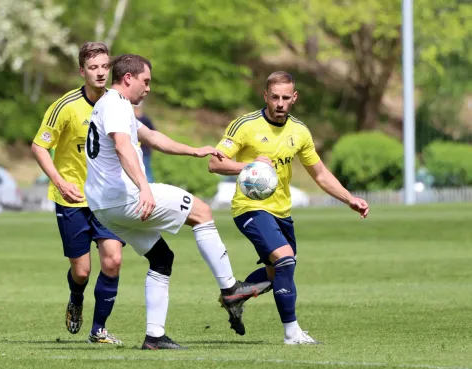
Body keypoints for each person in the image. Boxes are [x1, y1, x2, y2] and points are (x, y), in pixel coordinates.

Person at [84, 54, 271, 350]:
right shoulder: (116, 105)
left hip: (104, 209)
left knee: (161, 260)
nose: (148, 88)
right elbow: (123, 147)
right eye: (146, 81)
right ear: (129, 78)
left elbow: (153, 138)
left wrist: (194, 151)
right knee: (203, 212)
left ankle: (154, 337)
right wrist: (144, 189)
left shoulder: (109, 106)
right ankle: (231, 288)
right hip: (126, 198)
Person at [209, 71, 370, 345]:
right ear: (265, 96)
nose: (280, 103)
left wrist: (349, 198)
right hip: (250, 207)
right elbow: (215, 163)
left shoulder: (300, 132)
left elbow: (319, 174)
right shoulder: (245, 125)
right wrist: (250, 166)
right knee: (285, 259)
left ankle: (235, 295)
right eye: (275, 97)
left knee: (279, 272)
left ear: (294, 98)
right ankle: (292, 333)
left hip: (282, 211)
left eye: (286, 97)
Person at [31, 42, 125, 345]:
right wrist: (59, 182)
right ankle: (75, 297)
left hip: (107, 199)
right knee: (82, 271)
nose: (100, 73)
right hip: (72, 199)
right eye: (94, 67)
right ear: (81, 71)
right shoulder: (65, 106)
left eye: (105, 66)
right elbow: (39, 146)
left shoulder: (119, 102)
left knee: (112, 261)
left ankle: (98, 330)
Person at [133, 102, 155, 182]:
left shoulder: (145, 120)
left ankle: (150, 187)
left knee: (146, 169)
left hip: (144, 150)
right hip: (135, 150)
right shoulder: (132, 118)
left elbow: (152, 133)